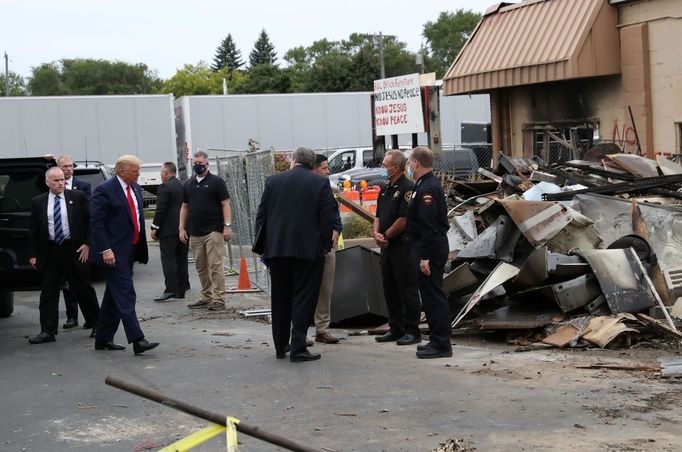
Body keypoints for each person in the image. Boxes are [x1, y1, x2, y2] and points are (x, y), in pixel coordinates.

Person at [255, 147, 334, 362]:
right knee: (303, 298)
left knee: (280, 298)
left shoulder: (274, 181)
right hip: (307, 251)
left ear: (293, 160)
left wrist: (261, 246)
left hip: (278, 250)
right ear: (312, 164)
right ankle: (299, 347)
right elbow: (325, 218)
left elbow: (262, 214)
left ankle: (281, 347)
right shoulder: (319, 183)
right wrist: (325, 245)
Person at [90, 154, 159, 355]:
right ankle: (138, 339)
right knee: (126, 293)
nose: (139, 174)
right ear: (122, 171)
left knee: (114, 295)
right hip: (112, 253)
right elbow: (97, 223)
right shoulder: (105, 190)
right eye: (135, 170)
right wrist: (105, 249)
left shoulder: (136, 188)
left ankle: (103, 338)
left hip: (130, 250)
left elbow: (136, 217)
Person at [27, 167, 100, 344]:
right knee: (48, 293)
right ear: (47, 183)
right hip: (50, 251)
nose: (60, 183)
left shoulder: (77, 197)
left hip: (73, 250)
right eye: (56, 180)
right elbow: (34, 231)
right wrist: (33, 254)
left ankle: (97, 324)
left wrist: (87, 244)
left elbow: (91, 221)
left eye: (62, 180)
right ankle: (47, 331)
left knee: (83, 288)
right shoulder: (38, 202)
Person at [405, 147, 452, 359]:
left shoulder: (427, 188)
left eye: (409, 161)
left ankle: (442, 344)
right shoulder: (423, 184)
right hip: (425, 246)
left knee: (434, 296)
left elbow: (429, 225)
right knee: (429, 295)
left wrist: (425, 256)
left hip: (429, 248)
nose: (408, 165)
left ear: (416, 163)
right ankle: (435, 339)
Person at [373, 150, 422, 346]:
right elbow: (377, 215)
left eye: (385, 165)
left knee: (407, 289)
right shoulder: (385, 189)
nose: (383, 169)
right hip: (386, 248)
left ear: (397, 167)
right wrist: (376, 233)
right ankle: (395, 327)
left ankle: (412, 330)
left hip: (403, 247)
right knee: (390, 287)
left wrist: (386, 236)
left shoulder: (407, 189)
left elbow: (403, 219)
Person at [179, 151, 232, 311]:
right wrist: (181, 227)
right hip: (195, 232)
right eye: (195, 162)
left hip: (213, 231)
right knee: (201, 266)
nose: (197, 165)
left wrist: (227, 225)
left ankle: (219, 298)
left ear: (207, 164)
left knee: (215, 265)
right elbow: (184, 207)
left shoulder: (217, 182)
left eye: (200, 162)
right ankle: (206, 296)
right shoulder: (188, 184)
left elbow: (225, 204)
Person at [56, 154, 93, 330]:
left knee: (83, 282)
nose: (69, 169)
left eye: (71, 166)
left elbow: (89, 216)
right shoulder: (53, 186)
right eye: (65, 166)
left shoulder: (83, 187)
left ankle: (90, 318)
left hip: (79, 243)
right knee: (67, 284)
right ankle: (72, 316)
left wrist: (88, 242)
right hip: (61, 243)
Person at [311, 154, 342, 344]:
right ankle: (298, 330)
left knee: (325, 288)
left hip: (328, 246)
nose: (328, 171)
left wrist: (337, 231)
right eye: (324, 168)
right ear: (314, 169)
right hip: (309, 246)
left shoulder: (328, 190)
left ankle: (322, 329)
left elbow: (335, 215)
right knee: (306, 288)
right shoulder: (306, 189)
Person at [151, 162, 189, 301]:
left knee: (168, 259)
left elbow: (160, 209)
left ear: (166, 174)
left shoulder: (164, 187)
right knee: (181, 259)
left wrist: (155, 227)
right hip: (183, 228)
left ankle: (171, 289)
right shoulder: (182, 185)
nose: (161, 175)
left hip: (168, 230)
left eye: (161, 173)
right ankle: (182, 287)